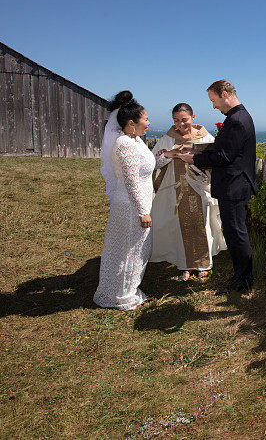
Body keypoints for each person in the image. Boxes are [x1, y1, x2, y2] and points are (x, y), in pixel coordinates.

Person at [176, 80, 256, 295]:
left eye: (213, 100)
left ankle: (243, 280)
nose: (213, 106)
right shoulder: (238, 117)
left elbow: (225, 156)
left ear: (224, 94)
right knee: (234, 232)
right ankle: (241, 276)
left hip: (235, 185)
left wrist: (194, 160)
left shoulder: (237, 120)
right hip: (234, 184)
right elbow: (227, 149)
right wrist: (198, 153)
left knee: (236, 233)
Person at [94, 91, 169, 310]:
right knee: (128, 250)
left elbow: (148, 166)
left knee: (135, 250)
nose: (149, 123)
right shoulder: (125, 145)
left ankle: (125, 289)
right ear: (131, 122)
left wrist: (168, 156)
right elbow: (131, 182)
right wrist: (141, 212)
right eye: (145, 119)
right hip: (130, 207)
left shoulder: (134, 140)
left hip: (137, 205)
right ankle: (121, 295)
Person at [150, 103, 226, 281]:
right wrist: (168, 155)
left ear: (193, 118)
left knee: (201, 224)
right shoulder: (168, 138)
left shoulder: (205, 137)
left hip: (199, 188)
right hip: (174, 189)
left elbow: (214, 161)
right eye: (176, 120)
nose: (180, 124)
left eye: (184, 120)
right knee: (179, 226)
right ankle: (184, 265)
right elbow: (153, 162)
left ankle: (202, 264)